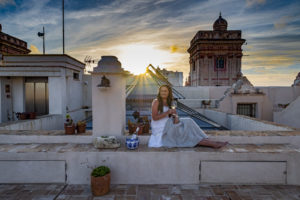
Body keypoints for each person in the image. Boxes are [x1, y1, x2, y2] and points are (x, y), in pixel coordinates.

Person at [148, 84, 228, 148]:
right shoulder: (156, 102)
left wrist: (175, 117)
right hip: (161, 128)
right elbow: (154, 118)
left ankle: (207, 139)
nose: (163, 93)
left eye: (165, 91)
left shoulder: (170, 102)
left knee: (189, 120)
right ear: (159, 92)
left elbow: (174, 117)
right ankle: (212, 144)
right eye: (162, 91)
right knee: (187, 135)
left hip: (169, 123)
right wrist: (167, 113)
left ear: (169, 92)